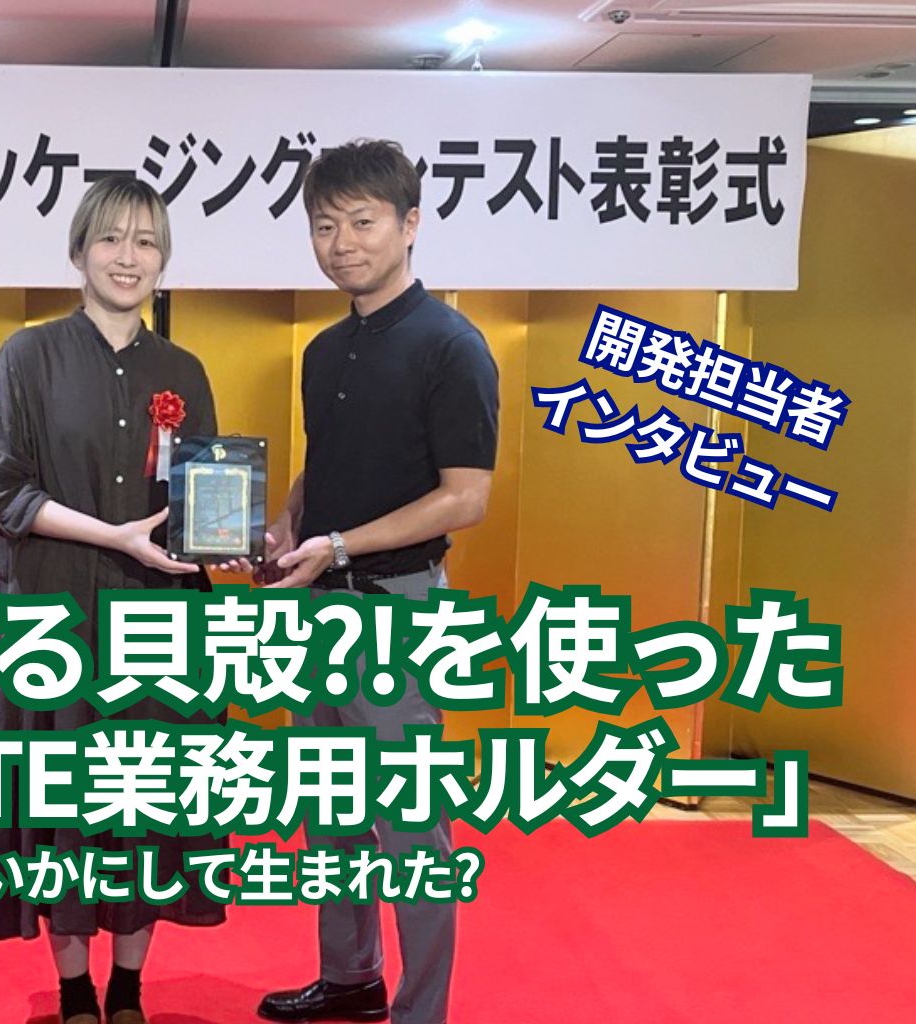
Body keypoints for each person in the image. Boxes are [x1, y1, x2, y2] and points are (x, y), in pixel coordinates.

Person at [0, 175, 226, 1024]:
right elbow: (0, 487)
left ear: (163, 260)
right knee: (65, 805)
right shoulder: (27, 357)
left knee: (146, 803)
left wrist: (228, 537)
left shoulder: (183, 371)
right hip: (55, 614)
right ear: (79, 250)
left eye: (146, 242)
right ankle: (75, 988)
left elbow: (204, 499)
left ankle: (128, 987)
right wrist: (114, 536)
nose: (128, 257)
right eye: (111, 238)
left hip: (158, 619)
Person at [255, 140, 500, 1024]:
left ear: (411, 224)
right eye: (325, 226)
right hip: (319, 609)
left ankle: (421, 1010)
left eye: (363, 222)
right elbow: (327, 464)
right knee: (330, 812)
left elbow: (465, 498)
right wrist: (290, 524)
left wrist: (340, 545)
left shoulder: (453, 346)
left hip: (399, 607)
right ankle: (350, 978)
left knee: (410, 825)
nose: (343, 243)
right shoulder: (325, 350)